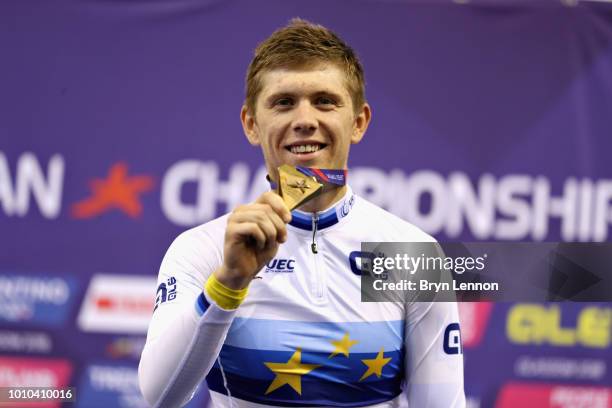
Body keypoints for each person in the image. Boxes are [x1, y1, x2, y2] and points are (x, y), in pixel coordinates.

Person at [139, 18, 465, 408]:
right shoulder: (202, 250)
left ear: (358, 122)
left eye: (325, 101)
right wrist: (229, 281)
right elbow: (160, 396)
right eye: (283, 102)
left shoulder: (412, 253)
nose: (305, 120)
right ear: (251, 124)